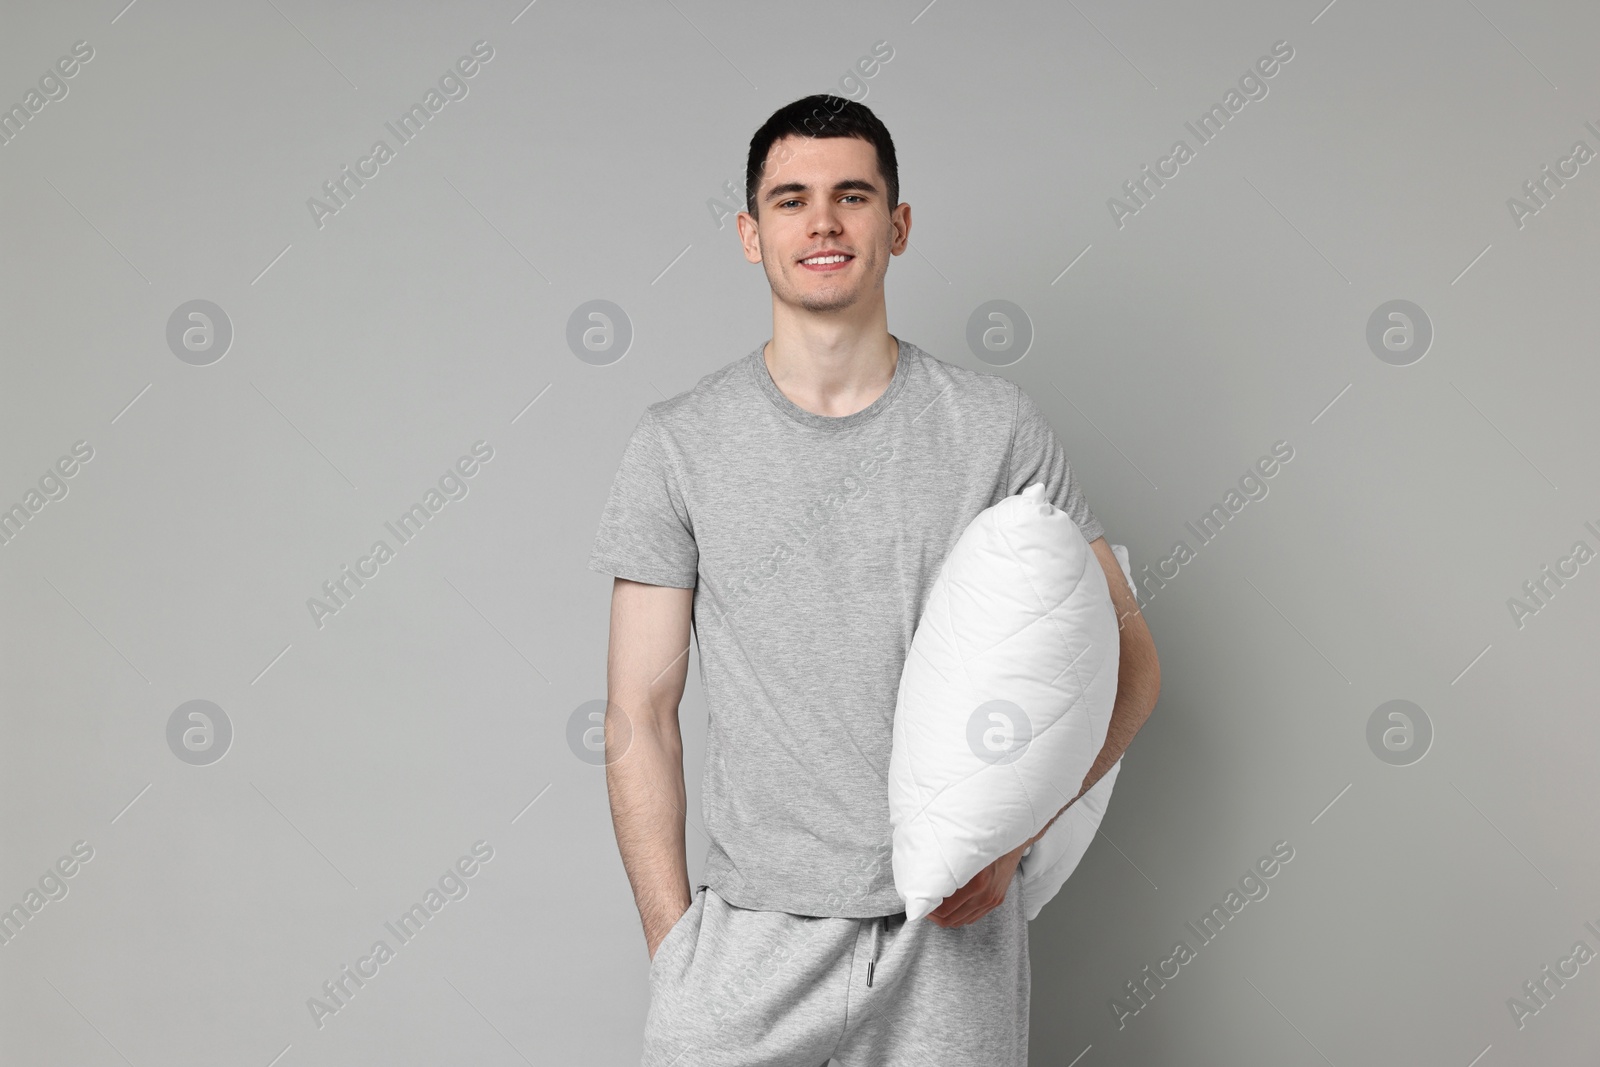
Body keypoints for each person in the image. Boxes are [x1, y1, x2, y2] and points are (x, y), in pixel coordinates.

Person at [588, 94, 1161, 1067]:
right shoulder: (679, 441)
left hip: (944, 939)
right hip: (748, 945)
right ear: (748, 231)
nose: (821, 221)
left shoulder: (994, 426)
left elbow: (1132, 659)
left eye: (852, 196)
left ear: (895, 225)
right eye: (791, 199)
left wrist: (1021, 831)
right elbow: (637, 711)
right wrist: (674, 944)